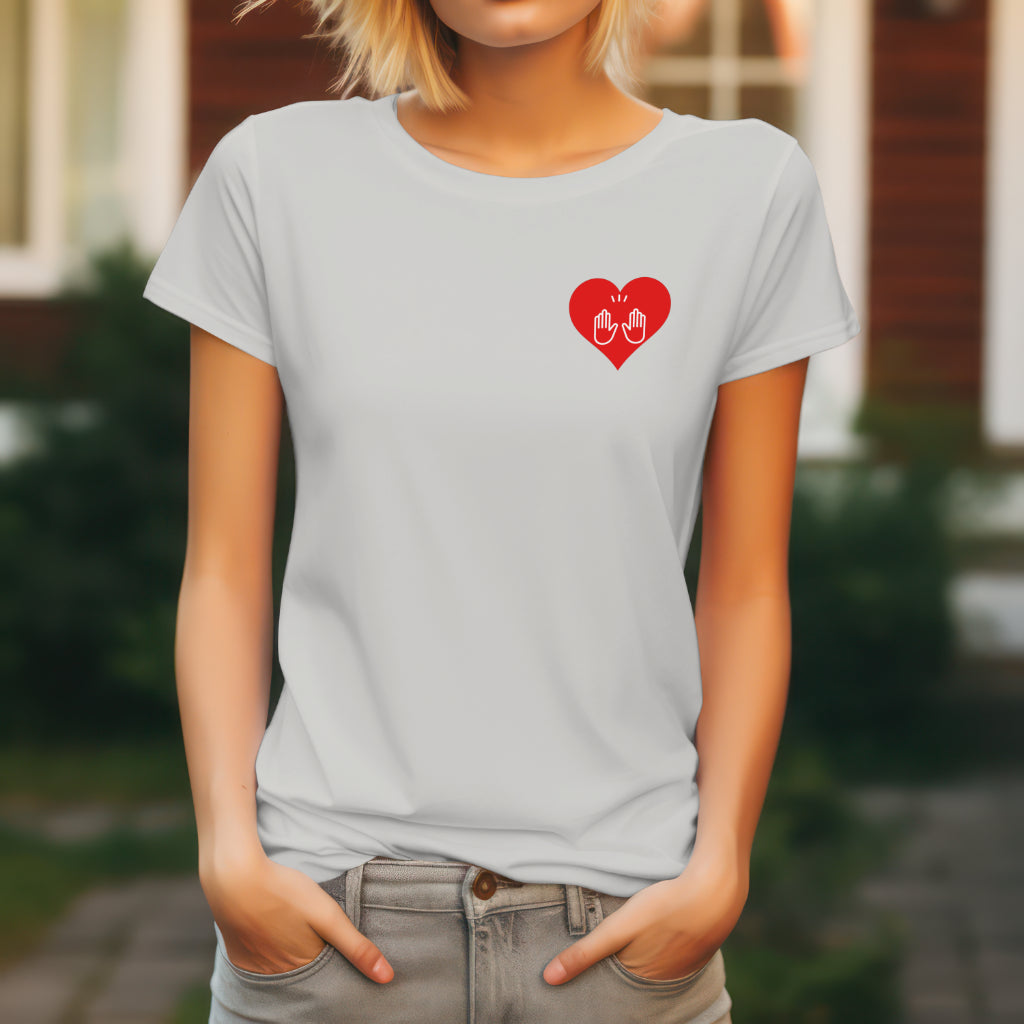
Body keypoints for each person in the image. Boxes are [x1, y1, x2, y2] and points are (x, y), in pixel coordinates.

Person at [141, 1, 861, 1020]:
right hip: (330, 926)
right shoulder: (273, 177)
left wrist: (719, 868)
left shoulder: (746, 191)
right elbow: (221, 564)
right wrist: (226, 851)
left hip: (622, 931)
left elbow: (743, 583)